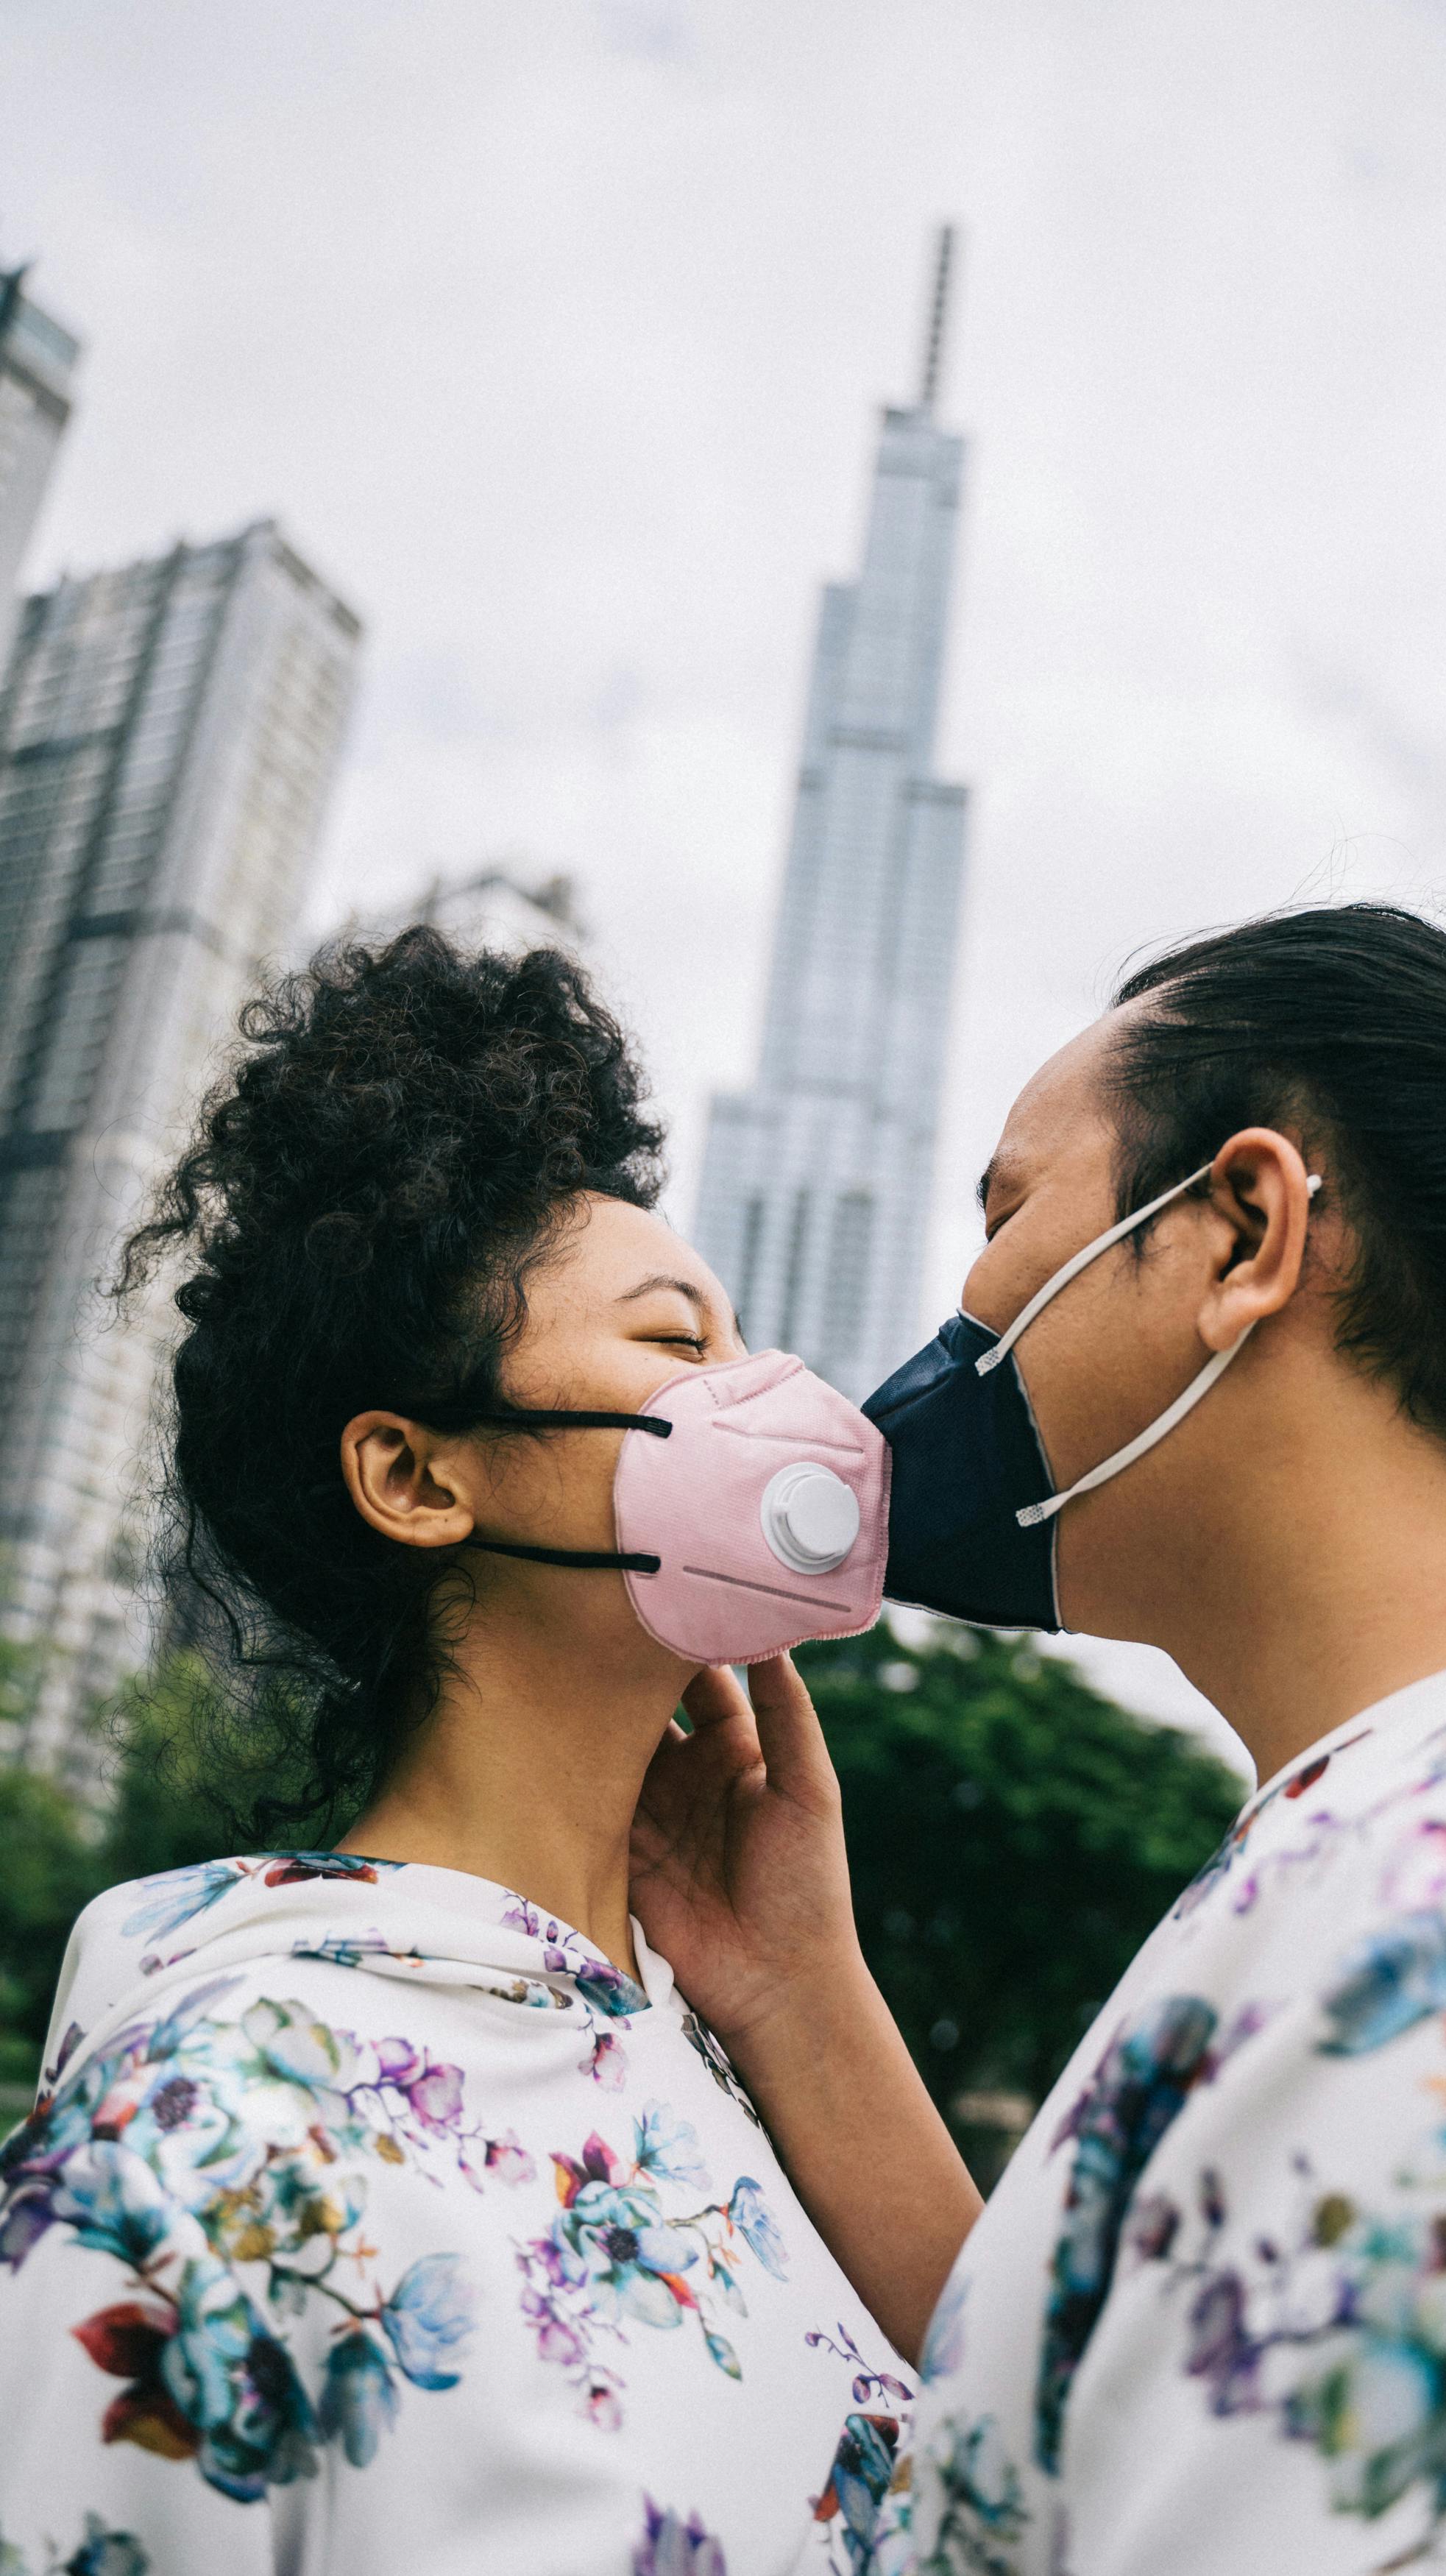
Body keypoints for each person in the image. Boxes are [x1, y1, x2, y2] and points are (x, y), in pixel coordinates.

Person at [630, 896, 1446, 2573]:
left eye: (1007, 1212)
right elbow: (1114, 2429)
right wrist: (796, 1986)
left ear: (1242, 1233)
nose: (971, 1298)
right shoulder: (1408, 1834)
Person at [0, 930, 977, 2576]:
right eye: (680, 1346)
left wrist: (812, 1991)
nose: (758, 1397)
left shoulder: (732, 2070)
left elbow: (1061, 2473)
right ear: (418, 1475)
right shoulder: (215, 2125)